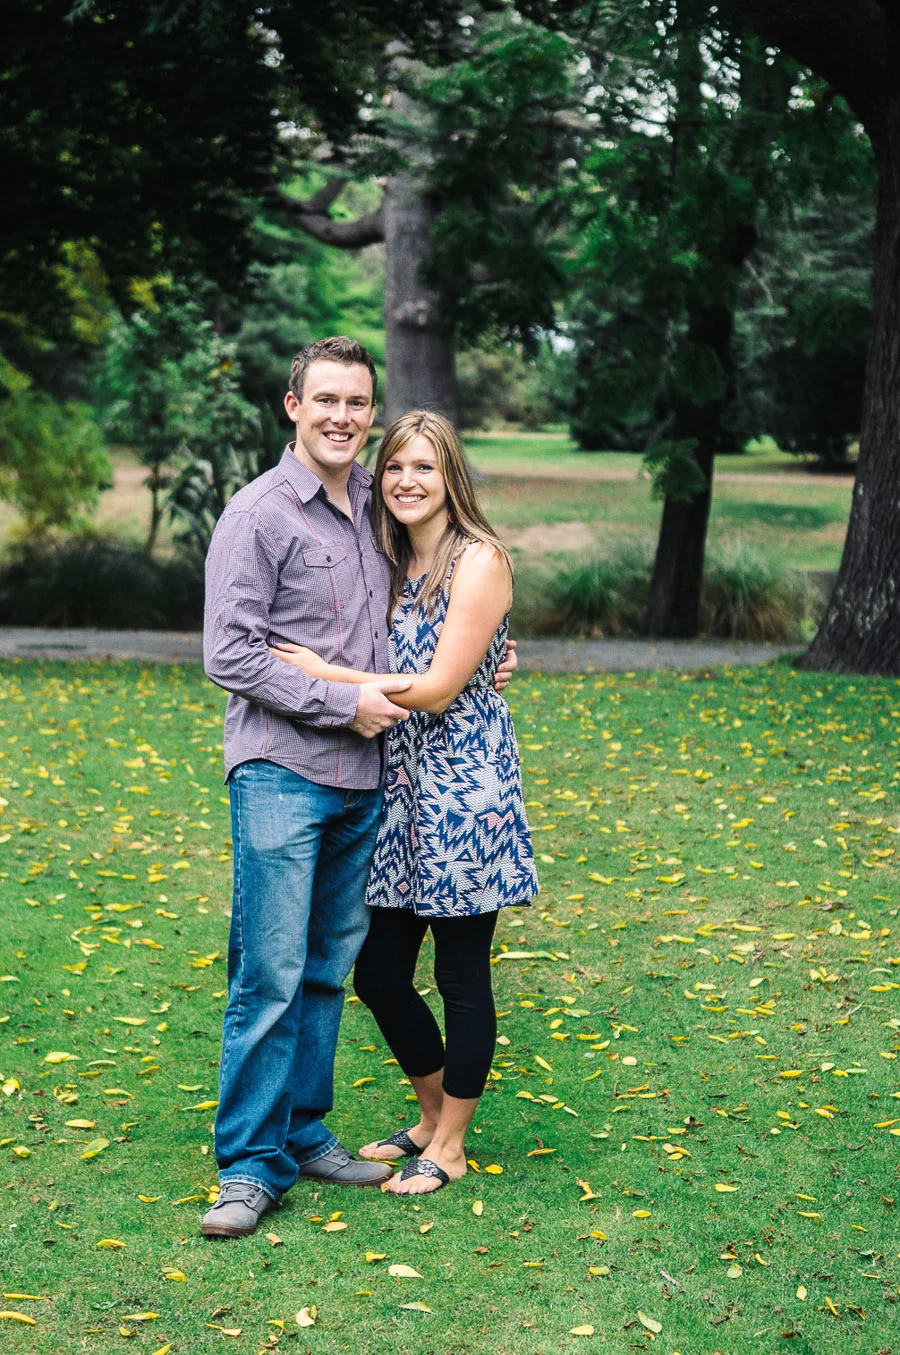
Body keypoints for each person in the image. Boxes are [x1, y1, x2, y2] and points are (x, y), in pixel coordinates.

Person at [200, 338, 516, 1238]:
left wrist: (497, 647)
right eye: (325, 399)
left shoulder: (377, 505)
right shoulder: (257, 514)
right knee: (267, 971)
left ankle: (302, 1132)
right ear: (292, 405)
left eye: (357, 402)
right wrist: (345, 698)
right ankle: (251, 1167)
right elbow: (228, 653)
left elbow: (456, 581)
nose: (342, 415)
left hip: (373, 784)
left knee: (329, 973)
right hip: (281, 773)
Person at [270, 410, 537, 1196]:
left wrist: (323, 674)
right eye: (394, 468)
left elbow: (438, 688)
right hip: (400, 792)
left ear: (451, 474)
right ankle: (430, 1115)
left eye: (425, 467)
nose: (407, 481)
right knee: (380, 972)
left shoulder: (479, 560)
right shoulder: (386, 557)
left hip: (465, 792)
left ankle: (450, 1146)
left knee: (460, 975)